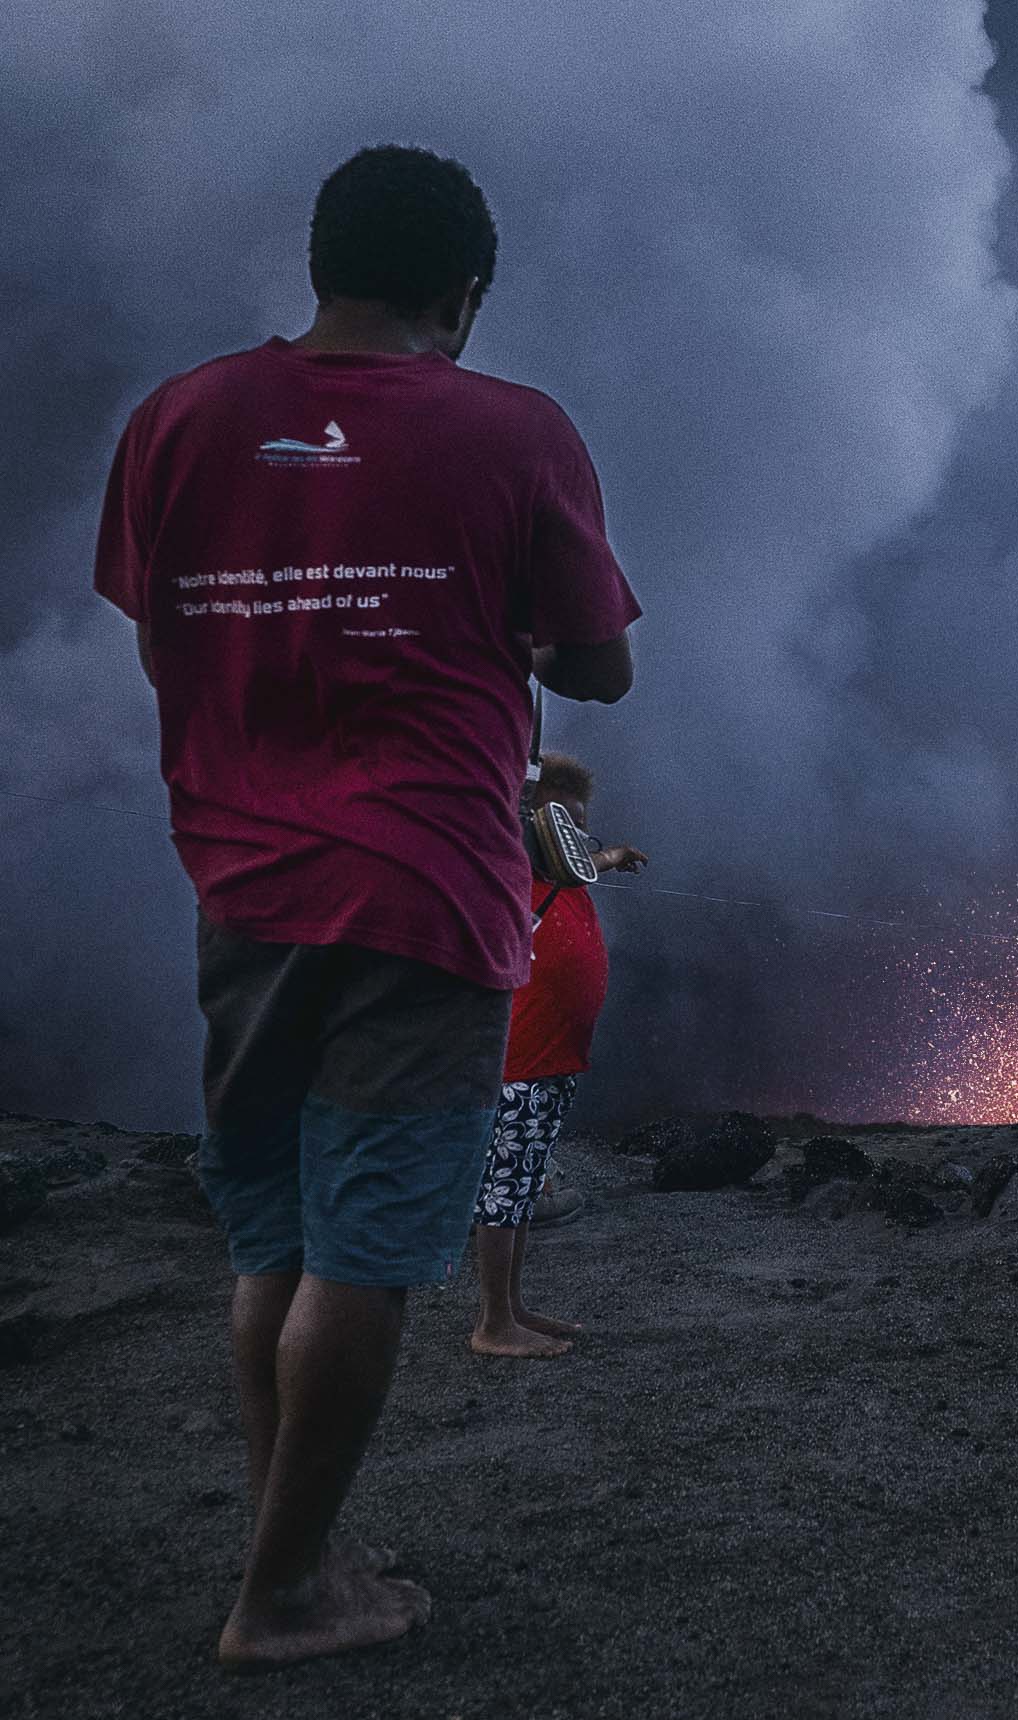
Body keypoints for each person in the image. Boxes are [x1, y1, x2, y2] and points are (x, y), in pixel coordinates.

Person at [94, 145, 640, 1668]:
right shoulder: (511, 432)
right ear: (464, 297)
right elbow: (597, 666)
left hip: (239, 882)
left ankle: (298, 1546)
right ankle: (282, 1598)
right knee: (366, 1258)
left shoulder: (180, 420)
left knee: (270, 1243)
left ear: (322, 261)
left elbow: (166, 641)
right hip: (422, 890)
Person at [469, 754, 647, 1359]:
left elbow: (582, 862)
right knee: (502, 1190)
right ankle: (493, 1323)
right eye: (562, 824)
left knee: (522, 1189)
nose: (574, 840)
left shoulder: (563, 874)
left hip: (554, 1062)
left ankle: (513, 1307)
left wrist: (615, 856)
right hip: (520, 1062)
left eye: (580, 828)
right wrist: (514, 794)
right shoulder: (508, 872)